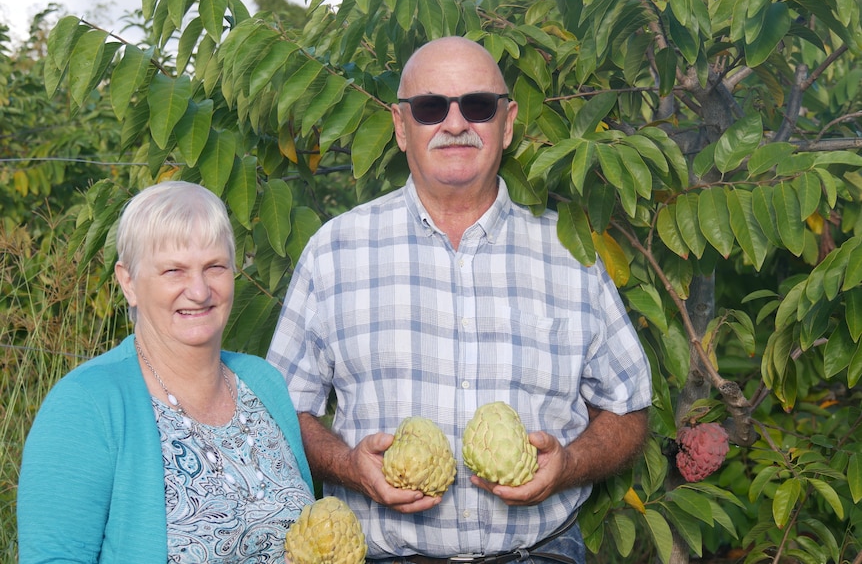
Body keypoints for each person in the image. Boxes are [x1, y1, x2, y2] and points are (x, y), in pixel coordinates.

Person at [266, 36, 652, 563]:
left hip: (538, 552)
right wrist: (347, 463)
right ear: (402, 127)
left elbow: (628, 407)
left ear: (507, 123)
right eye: (430, 108)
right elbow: (282, 411)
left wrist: (572, 462)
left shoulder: (571, 253)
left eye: (476, 105)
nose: (454, 124)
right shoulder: (335, 251)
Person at [18, 181, 314, 563]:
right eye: (173, 270)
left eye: (215, 267)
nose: (199, 290)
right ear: (129, 282)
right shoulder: (85, 405)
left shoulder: (264, 383)